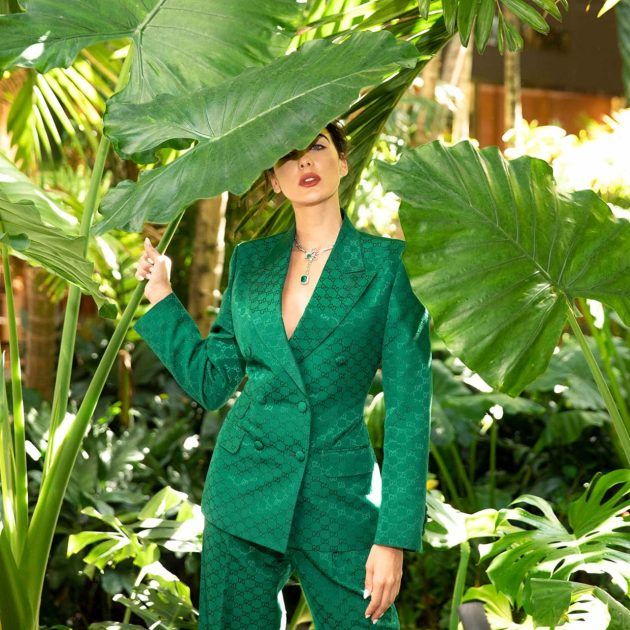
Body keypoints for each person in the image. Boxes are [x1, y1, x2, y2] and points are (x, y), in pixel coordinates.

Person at [133, 118, 432, 629]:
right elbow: (213, 381)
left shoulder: (389, 266)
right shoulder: (251, 262)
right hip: (243, 485)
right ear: (273, 178)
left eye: (317, 147)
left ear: (343, 160)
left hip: (337, 493)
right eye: (287, 155)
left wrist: (393, 537)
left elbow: (408, 412)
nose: (304, 162)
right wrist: (162, 296)